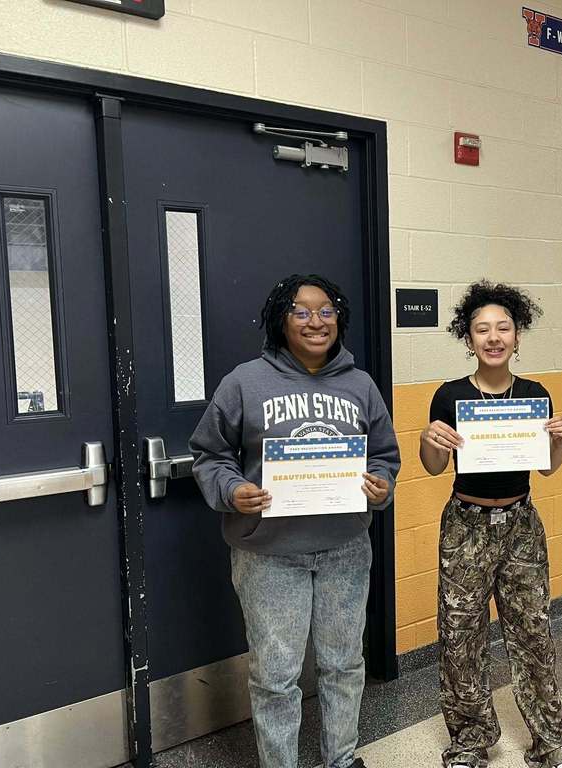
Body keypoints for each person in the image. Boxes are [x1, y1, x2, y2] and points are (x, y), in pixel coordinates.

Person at [190, 274, 400, 768]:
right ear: (280, 320)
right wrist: (232, 490)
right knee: (276, 677)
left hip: (345, 549)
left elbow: (384, 455)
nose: (315, 321)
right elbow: (209, 455)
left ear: (338, 319)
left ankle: (341, 760)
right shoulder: (244, 381)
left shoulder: (359, 384)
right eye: (301, 311)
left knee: (344, 665)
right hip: (269, 556)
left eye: (325, 310)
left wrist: (380, 483)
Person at [419, 281, 562, 768]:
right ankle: (470, 739)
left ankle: (551, 738)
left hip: (521, 524)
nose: (493, 337)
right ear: (468, 338)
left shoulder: (535, 394)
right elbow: (430, 467)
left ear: (517, 336)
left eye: (503, 328)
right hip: (465, 526)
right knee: (461, 635)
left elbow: (548, 468)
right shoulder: (449, 396)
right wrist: (430, 439)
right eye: (482, 329)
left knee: (533, 632)